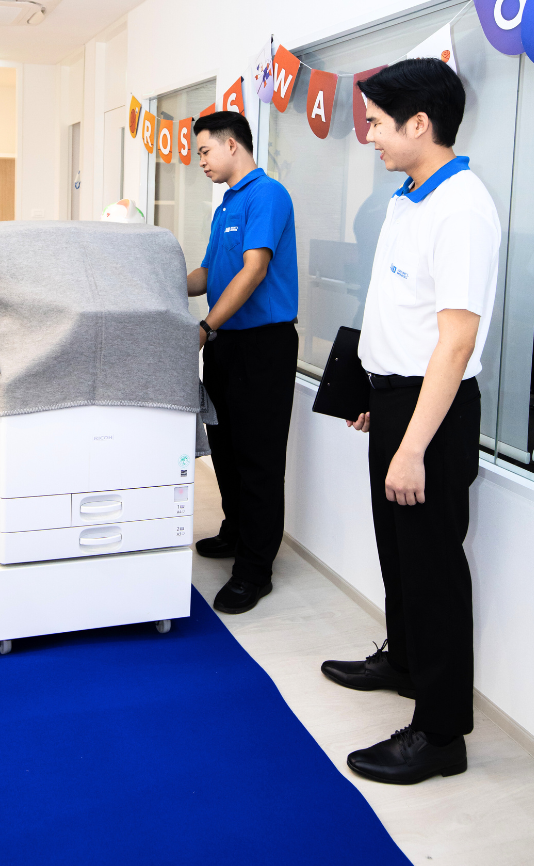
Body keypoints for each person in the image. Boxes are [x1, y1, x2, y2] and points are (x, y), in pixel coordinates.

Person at [321, 59, 501, 784]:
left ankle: (440, 734)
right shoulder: (408, 198)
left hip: (435, 411)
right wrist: (374, 386)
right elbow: (403, 309)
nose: (367, 135)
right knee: (398, 554)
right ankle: (403, 660)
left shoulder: (462, 209)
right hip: (396, 397)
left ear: (418, 124)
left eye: (375, 123)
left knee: (433, 571)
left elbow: (455, 342)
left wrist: (413, 446)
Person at [188, 110, 298, 614]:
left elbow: (253, 271)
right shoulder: (226, 204)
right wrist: (156, 281)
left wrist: (205, 326)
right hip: (226, 343)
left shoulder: (267, 195)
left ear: (232, 144)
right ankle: (236, 532)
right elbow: (209, 272)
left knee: (258, 458)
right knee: (226, 449)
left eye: (205, 150)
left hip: (262, 346)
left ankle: (255, 569)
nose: (201, 161)